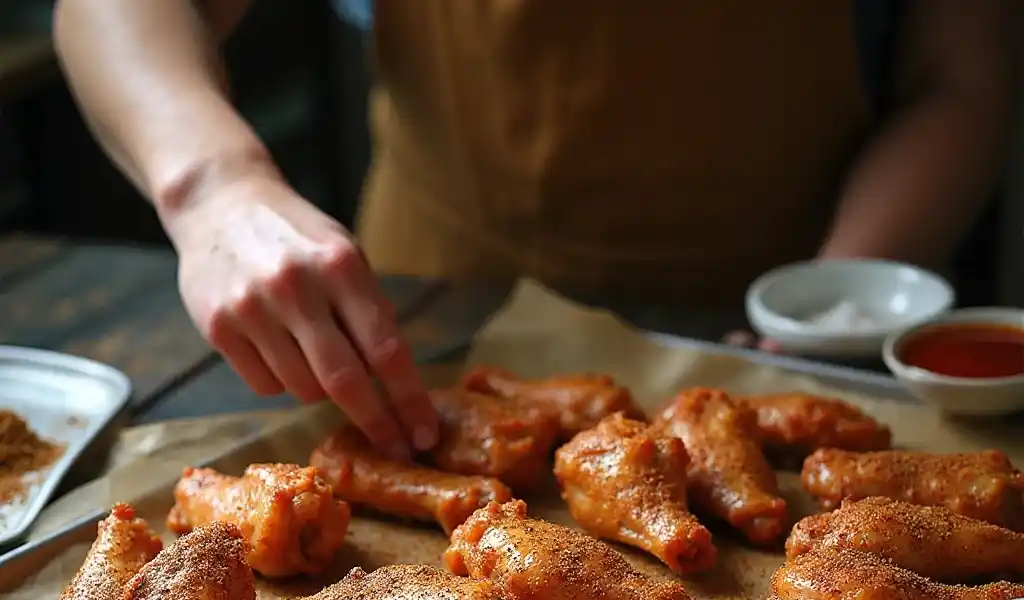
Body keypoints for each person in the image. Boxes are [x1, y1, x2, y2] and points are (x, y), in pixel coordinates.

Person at [53, 1, 1017, 456]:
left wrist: (842, 294)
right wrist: (216, 187)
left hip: (782, 311)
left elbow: (963, 70)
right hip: (418, 327)